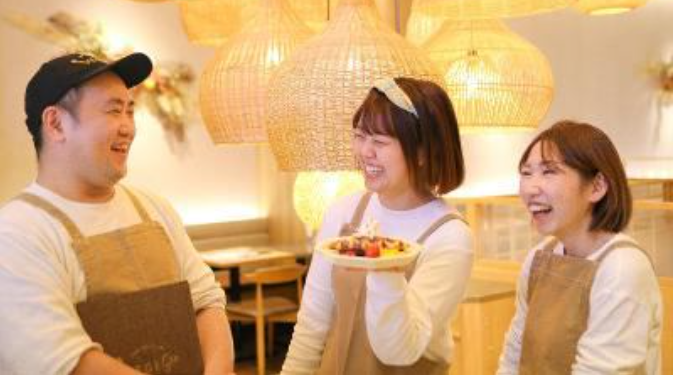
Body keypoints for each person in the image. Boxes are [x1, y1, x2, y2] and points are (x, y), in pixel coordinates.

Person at [0, 53, 235, 375]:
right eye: (113, 111)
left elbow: (206, 301)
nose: (128, 128)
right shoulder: (16, 232)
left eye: (129, 111)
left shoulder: (153, 207)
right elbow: (66, 361)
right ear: (55, 123)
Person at [281, 77, 474, 375]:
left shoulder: (450, 236)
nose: (365, 151)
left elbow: (400, 349)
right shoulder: (344, 212)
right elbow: (312, 323)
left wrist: (385, 265)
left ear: (422, 152)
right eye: (360, 136)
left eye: (380, 142)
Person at [497, 120, 663, 374]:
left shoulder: (622, 268)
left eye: (549, 172)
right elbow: (514, 354)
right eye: (527, 173)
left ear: (597, 187)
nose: (530, 188)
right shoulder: (538, 258)